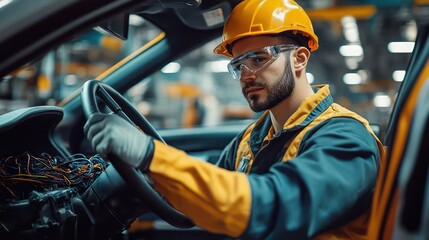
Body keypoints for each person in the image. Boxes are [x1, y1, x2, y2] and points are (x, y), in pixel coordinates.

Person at [84, 0, 385, 239]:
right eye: (238, 64)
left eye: (258, 59)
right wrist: (148, 173)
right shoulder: (253, 139)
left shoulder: (345, 138)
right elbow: (211, 186)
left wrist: (150, 154)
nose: (246, 76)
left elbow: (273, 208)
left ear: (299, 59)